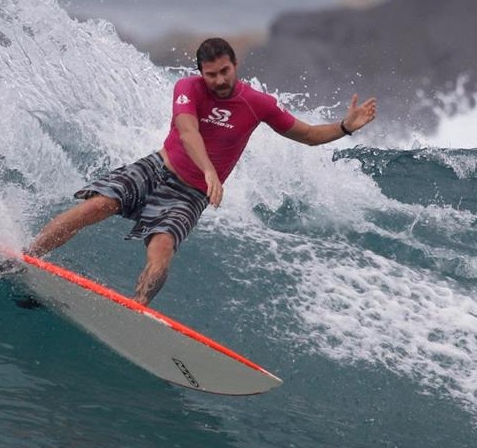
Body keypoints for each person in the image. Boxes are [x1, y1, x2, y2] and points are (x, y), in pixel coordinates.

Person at [22, 38, 376, 305]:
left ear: (235, 65)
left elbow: (310, 136)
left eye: (225, 71)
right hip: (158, 167)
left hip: (189, 194)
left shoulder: (258, 104)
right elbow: (188, 130)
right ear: (200, 73)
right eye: (211, 74)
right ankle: (27, 257)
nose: (219, 80)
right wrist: (209, 169)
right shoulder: (187, 88)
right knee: (95, 206)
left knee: (162, 248)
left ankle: (135, 308)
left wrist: (345, 126)